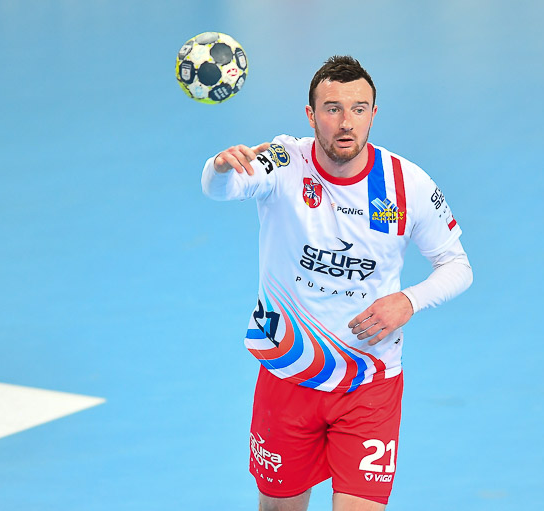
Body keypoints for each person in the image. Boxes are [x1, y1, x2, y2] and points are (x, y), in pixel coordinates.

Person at [201, 55, 473, 511]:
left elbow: (457, 265)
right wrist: (220, 166)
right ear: (311, 115)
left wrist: (408, 301)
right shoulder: (284, 161)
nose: (346, 122)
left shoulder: (407, 184)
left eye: (358, 109)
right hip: (288, 375)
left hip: (369, 383)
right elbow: (220, 189)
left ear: (373, 113)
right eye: (333, 109)